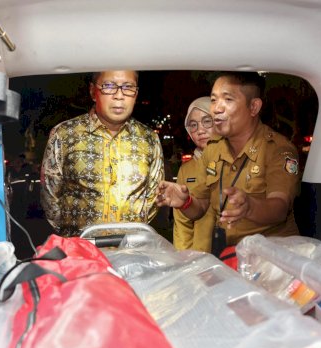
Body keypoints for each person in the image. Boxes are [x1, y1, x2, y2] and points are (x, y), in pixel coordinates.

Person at [156, 72, 300, 261]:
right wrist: (185, 202)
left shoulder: (278, 149)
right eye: (214, 100)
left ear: (253, 107)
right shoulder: (213, 150)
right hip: (232, 256)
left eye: (228, 99)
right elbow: (200, 207)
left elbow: (280, 208)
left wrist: (250, 207)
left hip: (274, 260)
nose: (217, 109)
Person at [40, 70, 164, 236]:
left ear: (136, 93)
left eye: (128, 87)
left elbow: (153, 197)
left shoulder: (149, 138)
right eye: (109, 86)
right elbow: (50, 196)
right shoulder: (64, 134)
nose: (119, 95)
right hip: (81, 252)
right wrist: (73, 237)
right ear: (93, 91)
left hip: (132, 251)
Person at [173, 97, 218, 252]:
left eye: (207, 121)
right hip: (201, 259)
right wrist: (185, 261)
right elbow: (182, 224)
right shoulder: (186, 170)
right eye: (193, 125)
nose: (200, 130)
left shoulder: (239, 160)